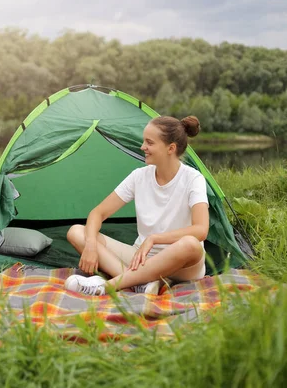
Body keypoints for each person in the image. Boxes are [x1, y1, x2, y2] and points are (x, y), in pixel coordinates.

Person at [64, 116, 209, 296]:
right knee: (77, 232)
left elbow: (201, 230)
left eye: (149, 142)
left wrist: (154, 238)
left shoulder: (193, 179)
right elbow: (98, 213)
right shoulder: (139, 176)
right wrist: (91, 245)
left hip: (182, 265)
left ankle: (108, 286)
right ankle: (141, 283)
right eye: (144, 141)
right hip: (140, 258)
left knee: (190, 244)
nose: (142, 147)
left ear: (170, 148)